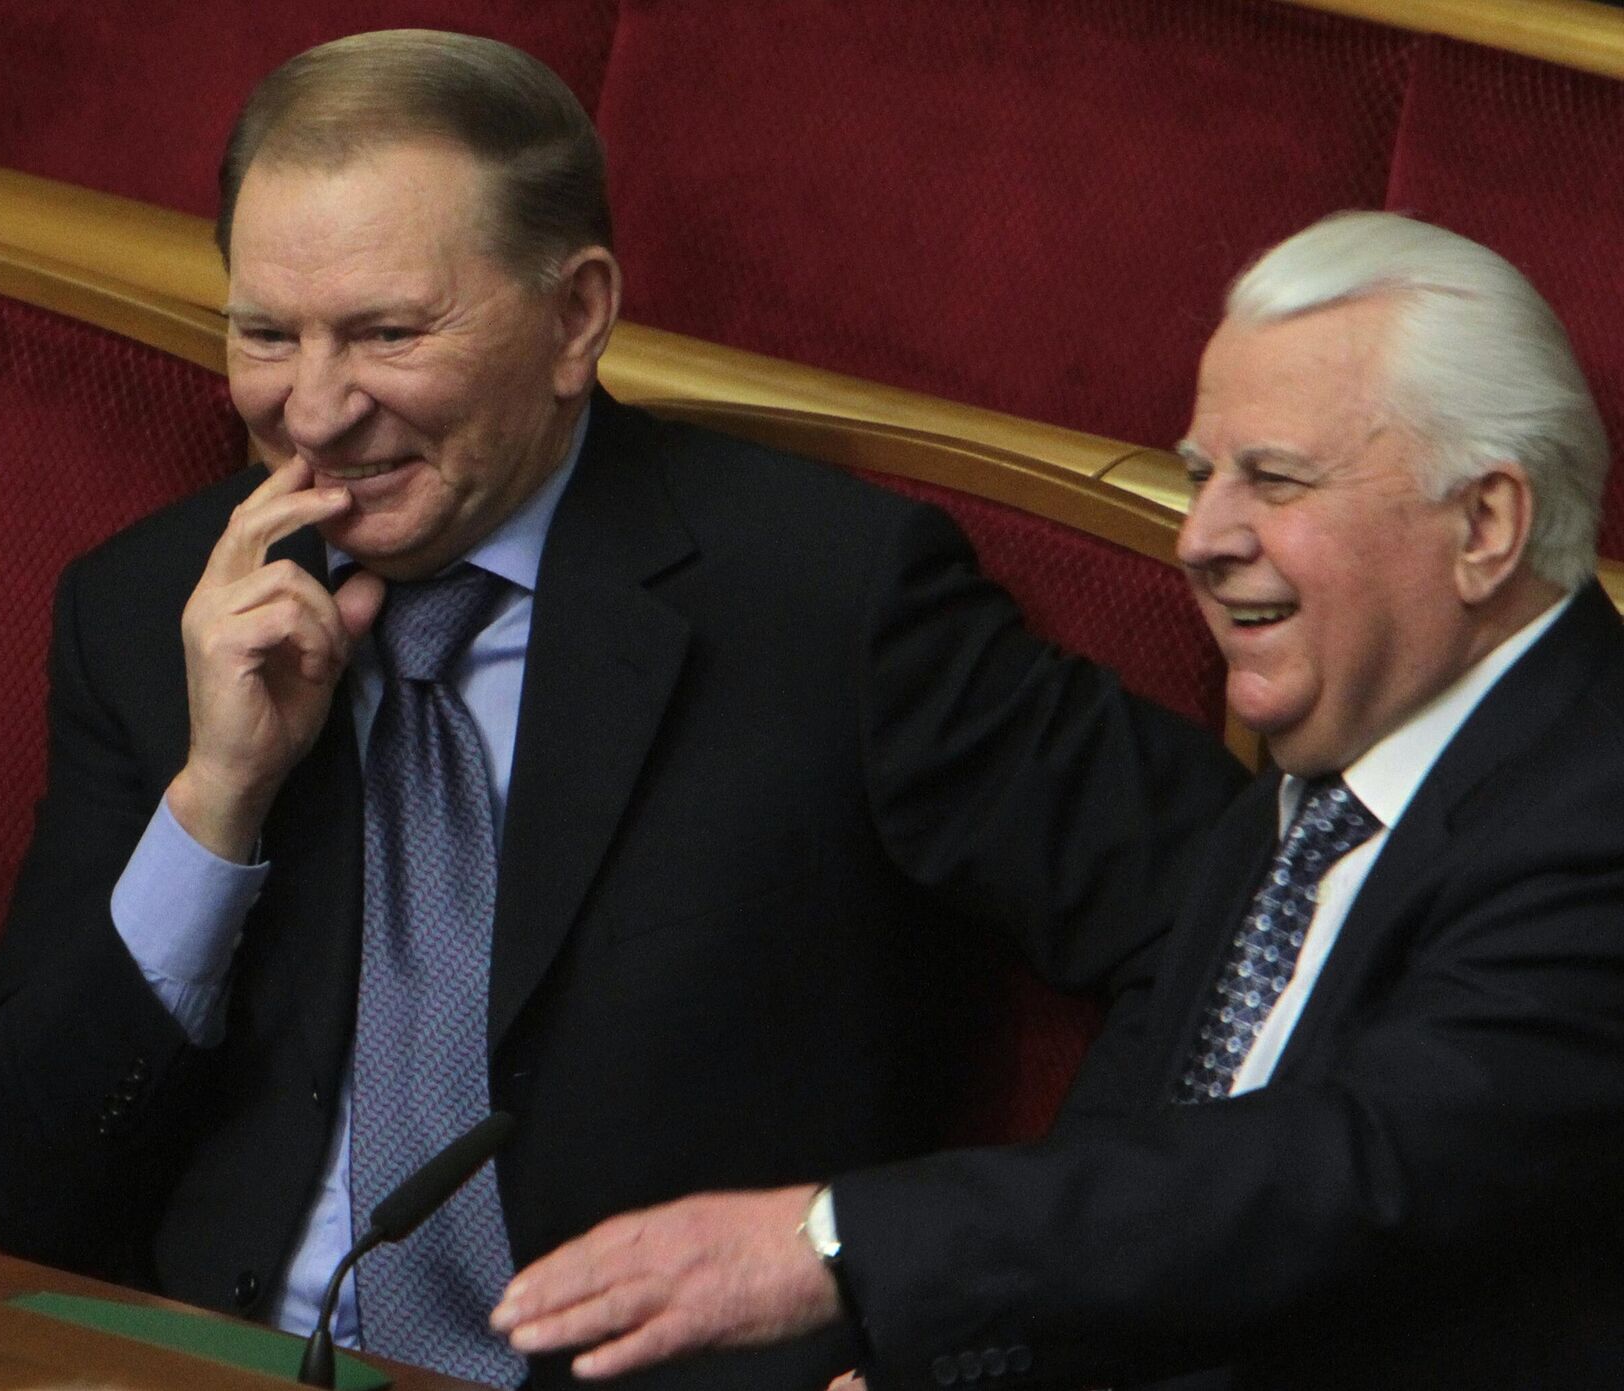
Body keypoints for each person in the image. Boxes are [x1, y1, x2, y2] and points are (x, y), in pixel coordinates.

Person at [0, 29, 1243, 1390]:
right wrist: (216, 801)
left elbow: (1242, 920)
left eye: (389, 331)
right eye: (266, 332)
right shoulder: (160, 606)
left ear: (575, 318)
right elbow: (27, 1182)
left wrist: (968, 1319)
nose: (312, 410)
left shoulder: (830, 600)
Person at [491, 211, 1624, 1390]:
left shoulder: (1594, 811)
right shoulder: (1316, 787)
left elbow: (1350, 1170)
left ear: (1484, 524)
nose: (1200, 537)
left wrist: (836, 1239)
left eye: (1272, 480)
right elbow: (1138, 1182)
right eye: (1200, 476)